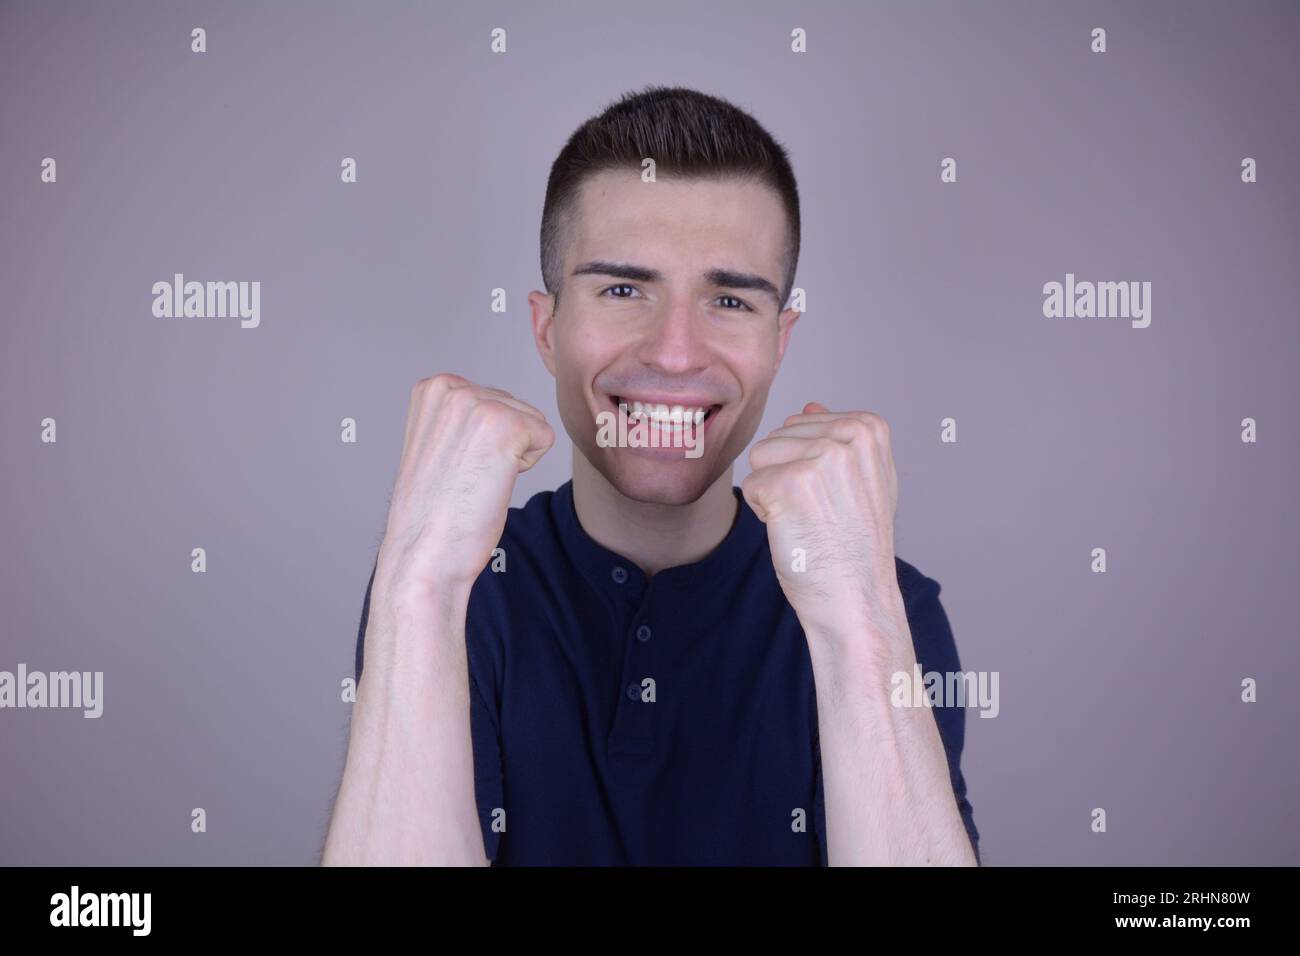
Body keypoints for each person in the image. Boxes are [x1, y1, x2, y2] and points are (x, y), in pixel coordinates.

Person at [322, 85, 979, 866]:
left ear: (779, 341)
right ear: (547, 327)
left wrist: (861, 615)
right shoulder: (461, 585)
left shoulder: (888, 603)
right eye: (624, 289)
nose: (674, 353)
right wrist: (418, 581)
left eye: (730, 299)